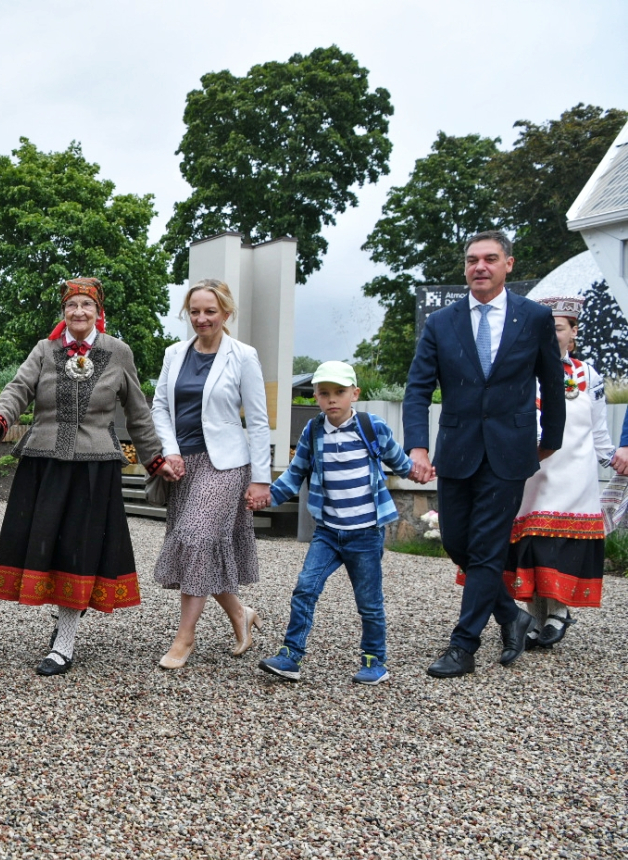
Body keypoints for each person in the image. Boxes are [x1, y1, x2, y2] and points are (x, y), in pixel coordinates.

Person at [404, 231, 565, 679]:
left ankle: (464, 645)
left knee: (487, 547)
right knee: (458, 542)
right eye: (473, 259)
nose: (480, 266)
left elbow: (552, 383)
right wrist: (417, 445)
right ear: (465, 267)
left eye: (490, 258)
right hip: (457, 449)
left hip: (510, 450)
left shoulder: (534, 318)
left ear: (508, 264)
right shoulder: (441, 322)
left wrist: (551, 439)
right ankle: (511, 615)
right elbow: (417, 388)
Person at [0, 277, 163, 675]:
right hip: (44, 463)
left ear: (98, 312)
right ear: (63, 311)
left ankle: (64, 642)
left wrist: (155, 460)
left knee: (78, 550)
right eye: (72, 305)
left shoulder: (118, 352)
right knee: (48, 546)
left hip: (93, 468)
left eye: (86, 305)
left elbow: (138, 412)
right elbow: (18, 388)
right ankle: (64, 617)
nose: (78, 311)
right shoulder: (44, 350)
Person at [254, 361, 420, 684]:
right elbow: (295, 473)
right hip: (328, 532)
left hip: (365, 533)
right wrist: (268, 497)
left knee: (369, 602)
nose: (332, 399)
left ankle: (374, 661)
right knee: (305, 588)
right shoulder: (314, 431)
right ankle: (290, 655)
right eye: (324, 393)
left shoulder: (371, 427)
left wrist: (419, 470)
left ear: (354, 394)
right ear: (315, 396)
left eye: (339, 392)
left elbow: (399, 461)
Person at [149, 279, 270, 669]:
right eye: (195, 311)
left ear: (226, 313)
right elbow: (159, 408)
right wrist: (169, 451)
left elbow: (258, 420)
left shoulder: (243, 355)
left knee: (196, 539)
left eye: (210, 311)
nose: (202, 318)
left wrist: (261, 478)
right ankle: (240, 613)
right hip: (183, 466)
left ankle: (184, 638)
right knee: (202, 548)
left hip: (226, 464)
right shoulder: (174, 353)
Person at [487, 296, 612, 648]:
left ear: (573, 333)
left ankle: (558, 612)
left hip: (573, 474)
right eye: (545, 327)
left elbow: (599, 429)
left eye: (557, 328)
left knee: (554, 545)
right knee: (528, 543)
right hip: (531, 472)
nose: (551, 333)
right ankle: (536, 618)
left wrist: (614, 459)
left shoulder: (587, 375)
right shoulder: (520, 369)